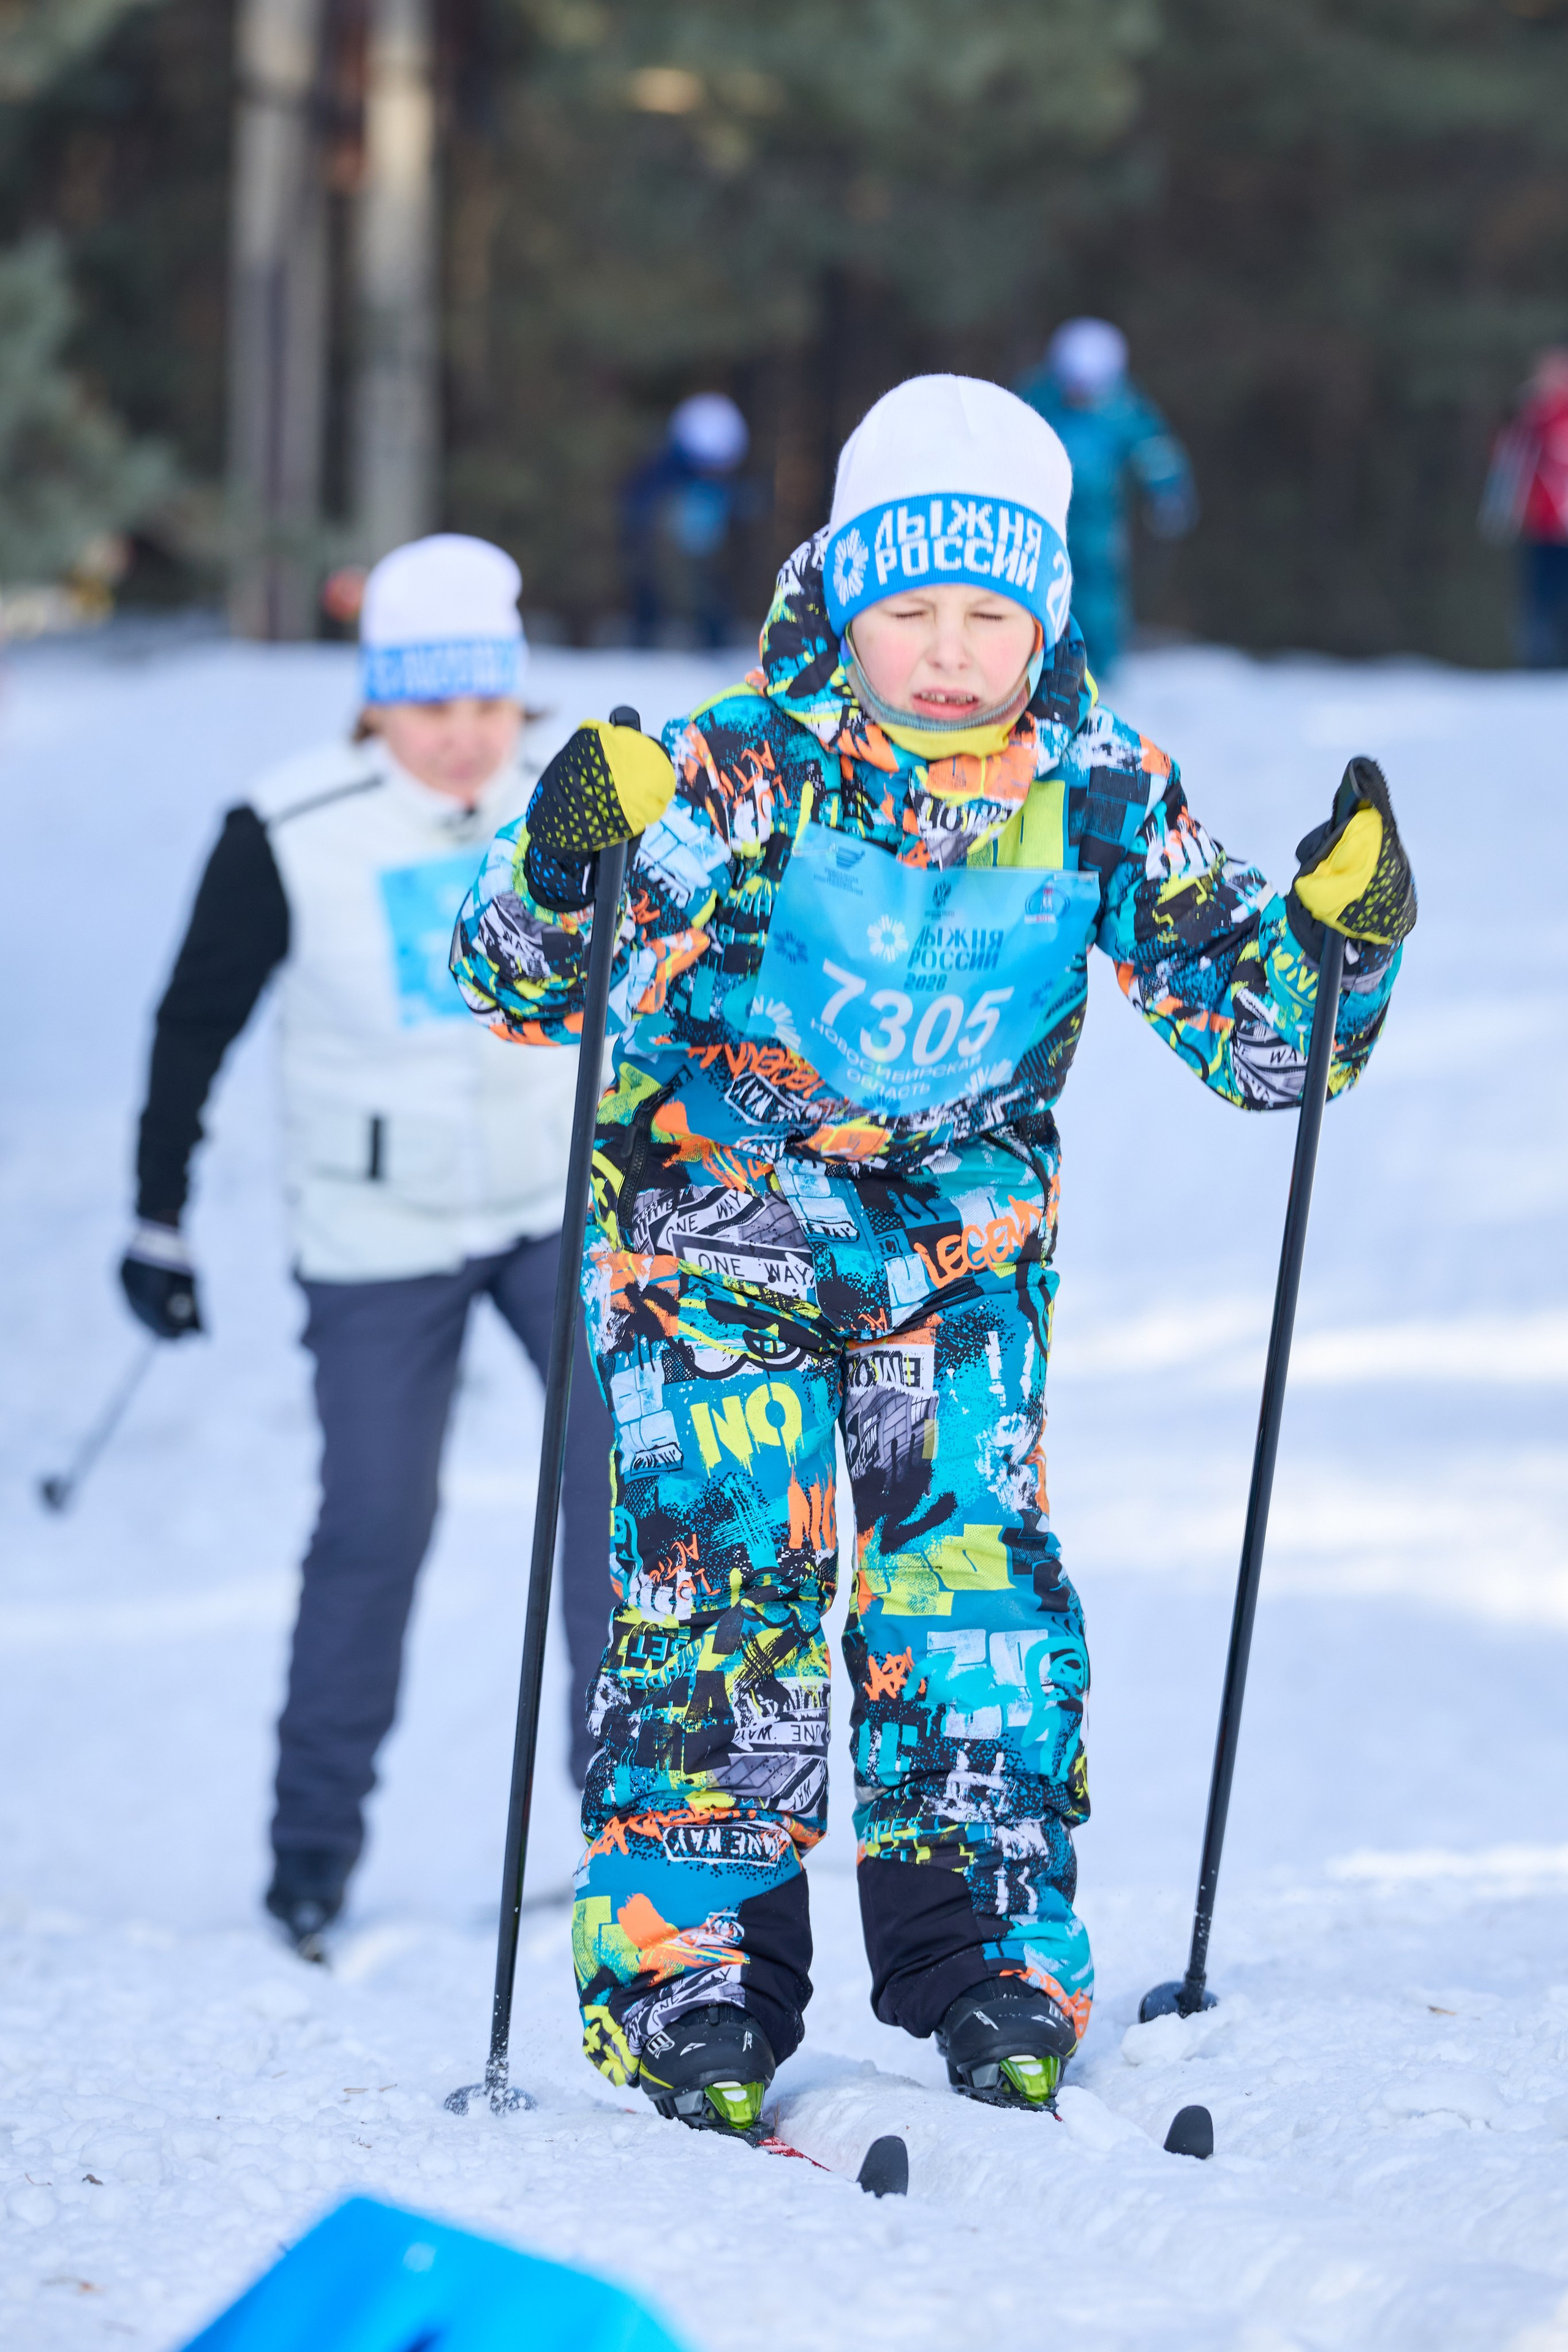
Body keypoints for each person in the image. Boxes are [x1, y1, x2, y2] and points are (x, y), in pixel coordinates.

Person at [450, 377, 1415, 2138]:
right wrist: (565, 860)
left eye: (992, 613)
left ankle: (983, 1950)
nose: (953, 654)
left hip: (959, 1256)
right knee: (725, 1593)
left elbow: (1269, 1047)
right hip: (707, 1234)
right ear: (843, 593)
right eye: (914, 611)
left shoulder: (1110, 787)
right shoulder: (745, 762)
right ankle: (693, 1969)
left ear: (1048, 613)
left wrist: (1344, 943)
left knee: (971, 1589)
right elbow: (524, 987)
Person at [121, 533, 613, 1955]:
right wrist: (159, 1216)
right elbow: (189, 1024)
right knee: (375, 1526)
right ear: (374, 702)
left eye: (487, 705)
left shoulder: (559, 812)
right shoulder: (288, 826)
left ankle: (627, 1831)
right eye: (429, 705)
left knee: (621, 1496)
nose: (462, 737)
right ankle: (311, 1853)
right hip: (374, 1232)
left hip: (548, 1212)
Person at [1015, 317, 1195, 675]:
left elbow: (1153, 451)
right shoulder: (1036, 397)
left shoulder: (1123, 407)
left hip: (1099, 518)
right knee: (1042, 584)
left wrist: (1168, 492)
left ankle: (1101, 667)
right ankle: (1040, 661)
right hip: (1044, 512)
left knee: (1099, 591)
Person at [620, 393, 753, 649]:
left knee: (707, 587)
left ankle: (714, 635)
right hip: (672, 556)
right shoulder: (666, 475)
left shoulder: (713, 480)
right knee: (663, 579)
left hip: (703, 559)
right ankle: (647, 633)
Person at [1480, 348, 1568, 669]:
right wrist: (1500, 509)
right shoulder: (1530, 412)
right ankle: (1538, 665)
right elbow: (1508, 460)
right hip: (1541, 524)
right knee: (1538, 599)